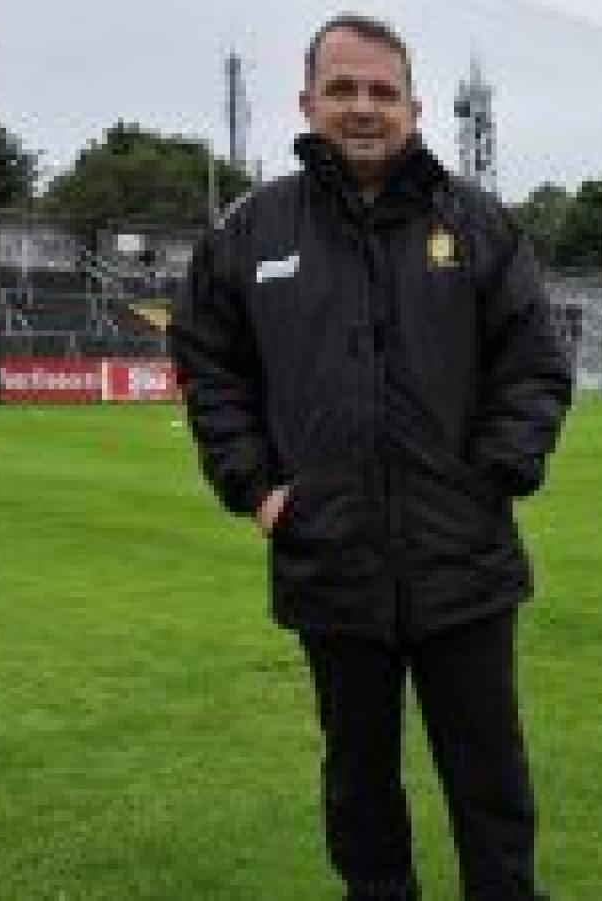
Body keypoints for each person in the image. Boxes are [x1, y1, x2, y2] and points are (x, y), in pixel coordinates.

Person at [169, 14, 572, 900]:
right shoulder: (252, 229)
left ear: (415, 107)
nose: (363, 107)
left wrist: (496, 472)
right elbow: (207, 365)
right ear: (308, 101)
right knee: (358, 784)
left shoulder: (475, 224)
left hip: (462, 559)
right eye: (343, 88)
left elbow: (535, 363)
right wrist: (260, 489)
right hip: (330, 558)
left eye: (381, 91)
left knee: (491, 781)